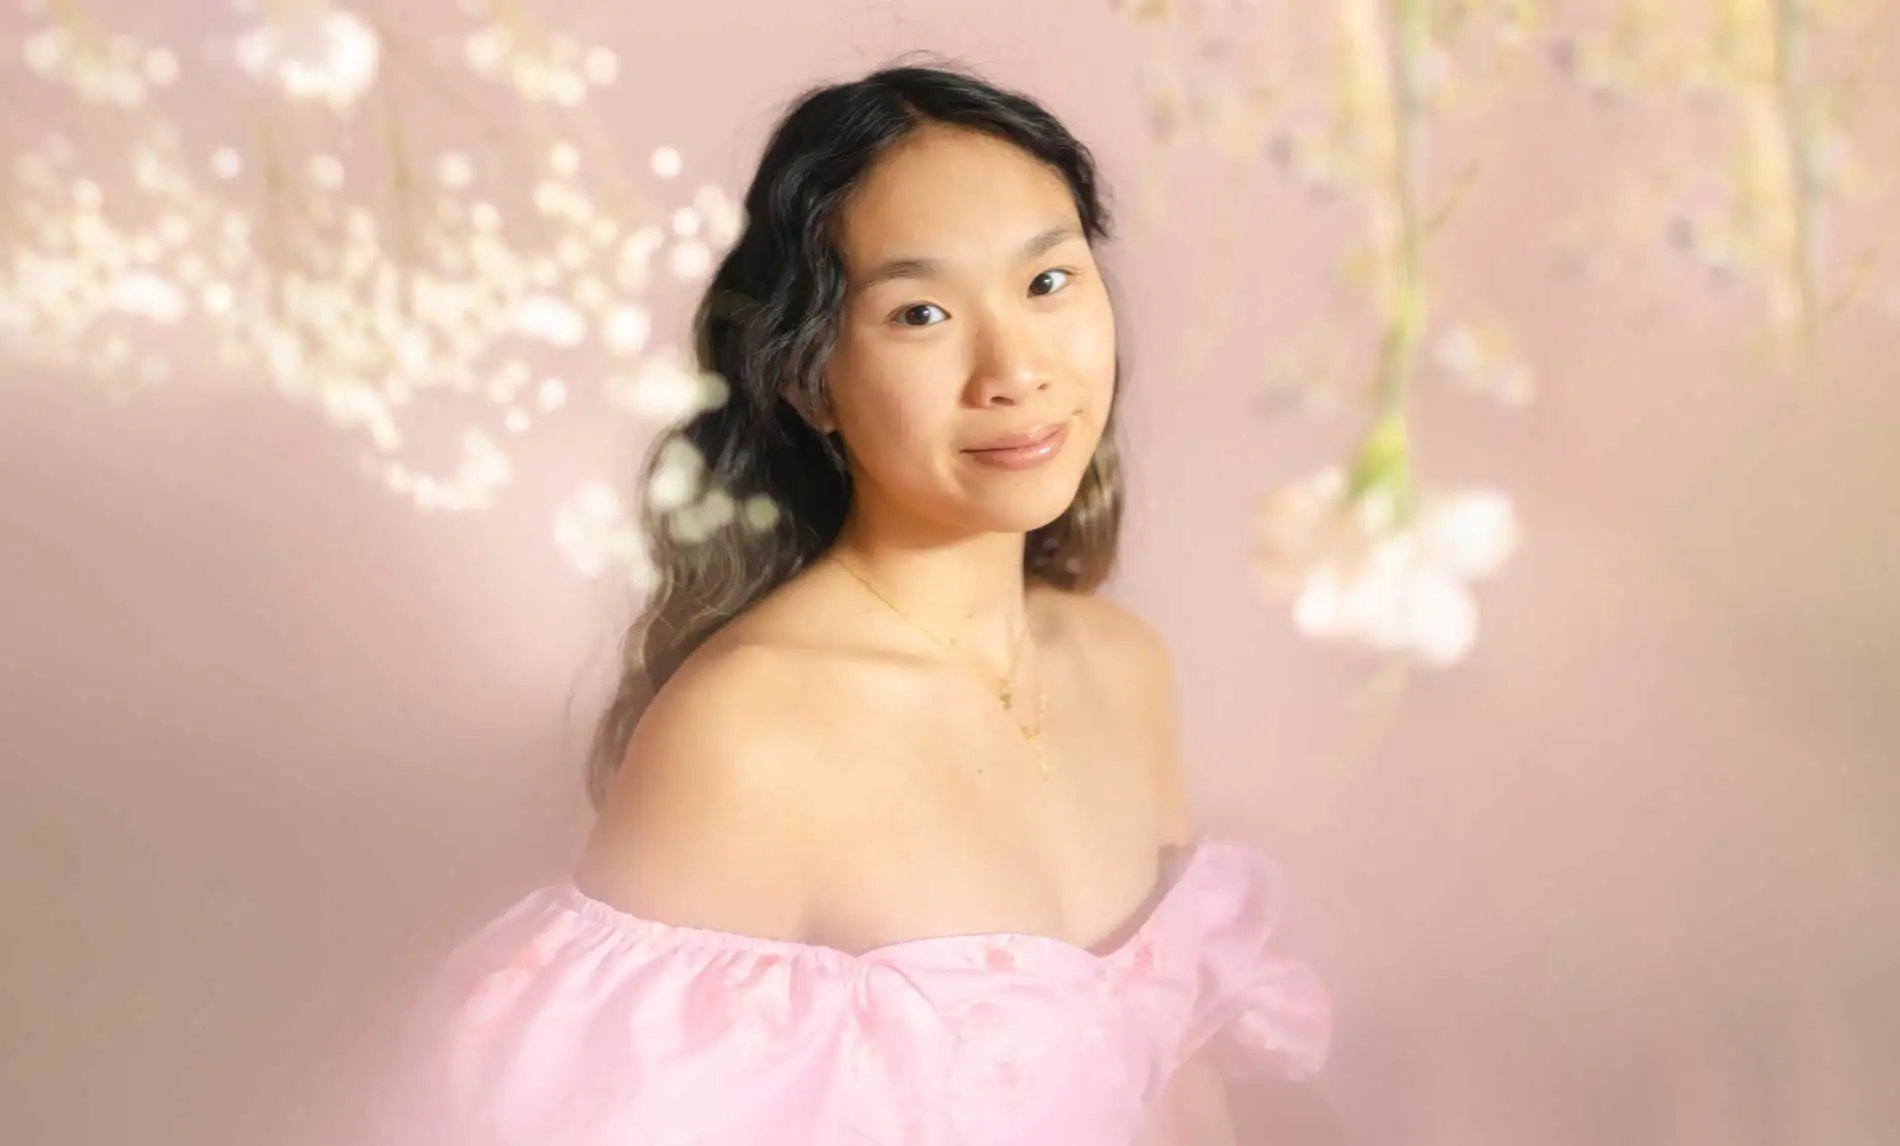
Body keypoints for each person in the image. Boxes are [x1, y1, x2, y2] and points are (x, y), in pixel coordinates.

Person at [364, 62, 1330, 1146]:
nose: (1015, 370)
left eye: (1048, 282)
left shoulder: (1121, 663)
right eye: (921, 313)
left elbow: (1179, 1086)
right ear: (808, 379)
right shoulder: (747, 731)